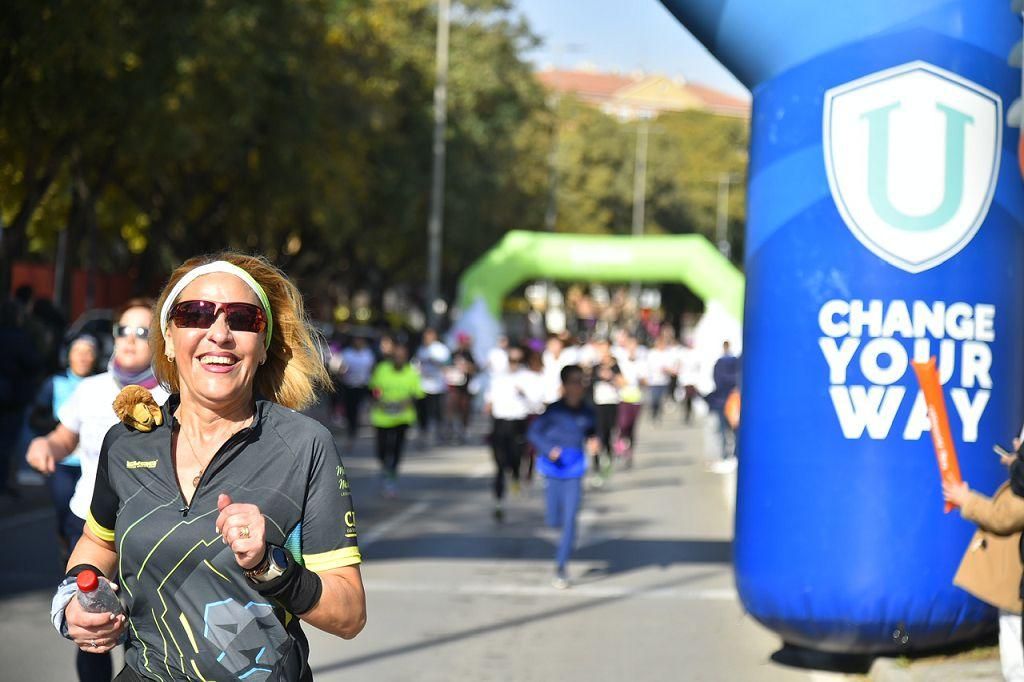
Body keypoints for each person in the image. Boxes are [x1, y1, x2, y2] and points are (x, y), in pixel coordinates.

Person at [43, 254, 365, 682]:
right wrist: (75, 597)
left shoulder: (304, 446)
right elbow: (97, 544)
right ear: (170, 340)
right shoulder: (125, 442)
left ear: (263, 343)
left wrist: (270, 565)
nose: (219, 334)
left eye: (243, 319)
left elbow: (349, 615)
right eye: (195, 314)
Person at [28, 298, 169, 682]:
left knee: (143, 629)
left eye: (143, 332)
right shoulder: (91, 389)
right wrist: (46, 447)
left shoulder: (172, 397)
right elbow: (64, 437)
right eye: (123, 329)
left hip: (146, 528)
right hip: (87, 526)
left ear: (159, 341)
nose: (130, 339)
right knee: (93, 627)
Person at [945, 449, 1024, 682]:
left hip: (1015, 585)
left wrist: (966, 500)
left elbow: (1003, 516)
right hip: (1014, 583)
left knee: (1014, 644)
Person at [28, 335, 99, 562]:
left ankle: (79, 556)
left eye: (88, 352)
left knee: (86, 514)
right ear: (68, 355)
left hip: (91, 462)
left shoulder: (103, 384)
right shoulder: (55, 383)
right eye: (77, 352)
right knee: (64, 506)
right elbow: (36, 416)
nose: (82, 357)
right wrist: (55, 433)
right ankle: (67, 543)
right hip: (64, 460)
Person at [527, 365, 598, 589]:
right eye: (574, 382)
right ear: (564, 386)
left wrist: (594, 440)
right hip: (553, 469)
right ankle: (559, 541)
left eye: (581, 382)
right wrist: (549, 449)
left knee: (570, 520)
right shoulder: (553, 411)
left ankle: (561, 567)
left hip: (575, 470)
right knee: (553, 520)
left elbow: (592, 431)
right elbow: (533, 433)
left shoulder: (587, 411)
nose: (578, 386)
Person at [484, 345, 543, 521]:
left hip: (519, 423)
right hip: (500, 423)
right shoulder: (497, 378)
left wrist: (524, 393)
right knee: (500, 465)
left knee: (516, 458)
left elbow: (536, 404)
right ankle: (498, 502)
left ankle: (517, 476)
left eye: (517, 361)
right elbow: (489, 399)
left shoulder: (528, 378)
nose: (513, 364)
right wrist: (488, 406)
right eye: (511, 360)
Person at [369, 341, 423, 497]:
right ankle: (385, 467)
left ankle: (391, 475)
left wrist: (406, 402)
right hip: (382, 416)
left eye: (402, 357)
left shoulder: (411, 373)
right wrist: (379, 400)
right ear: (392, 357)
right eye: (396, 356)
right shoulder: (382, 369)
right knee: (382, 449)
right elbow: (374, 388)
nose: (399, 359)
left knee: (397, 447)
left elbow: (417, 393)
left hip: (402, 417)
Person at [0, 299, 42, 496]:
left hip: (9, 394)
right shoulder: (20, 337)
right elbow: (33, 362)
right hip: (13, 397)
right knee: (7, 441)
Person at [589, 339, 622, 486]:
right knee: (597, 435)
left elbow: (623, 382)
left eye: (605, 349)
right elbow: (588, 385)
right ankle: (596, 467)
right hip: (597, 405)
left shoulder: (615, 366)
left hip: (611, 403)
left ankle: (608, 460)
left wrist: (611, 377)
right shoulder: (594, 367)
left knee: (609, 434)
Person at [706, 340, 740, 473]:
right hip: (735, 400)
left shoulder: (719, 364)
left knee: (721, 431)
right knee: (735, 431)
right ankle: (735, 455)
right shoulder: (737, 363)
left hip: (721, 400)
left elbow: (717, 381)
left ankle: (724, 455)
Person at [414, 327, 451, 445]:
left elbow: (447, 365)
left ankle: (440, 433)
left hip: (437, 386)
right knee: (423, 411)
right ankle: (423, 434)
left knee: (438, 412)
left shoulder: (441, 349)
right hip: (423, 385)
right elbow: (416, 365)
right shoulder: (421, 349)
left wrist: (435, 362)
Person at [340, 336, 375, 445]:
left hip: (363, 385)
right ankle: (352, 428)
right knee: (351, 409)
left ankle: (362, 423)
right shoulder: (347, 353)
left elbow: (372, 368)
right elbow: (341, 368)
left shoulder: (368, 354)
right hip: (349, 385)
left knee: (363, 406)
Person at [445, 333, 477, 443]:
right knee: (452, 407)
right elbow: (446, 367)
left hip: (466, 386)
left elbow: (474, 368)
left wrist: (467, 367)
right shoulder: (453, 354)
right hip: (454, 385)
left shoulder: (469, 354)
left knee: (465, 407)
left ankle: (464, 428)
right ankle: (451, 429)